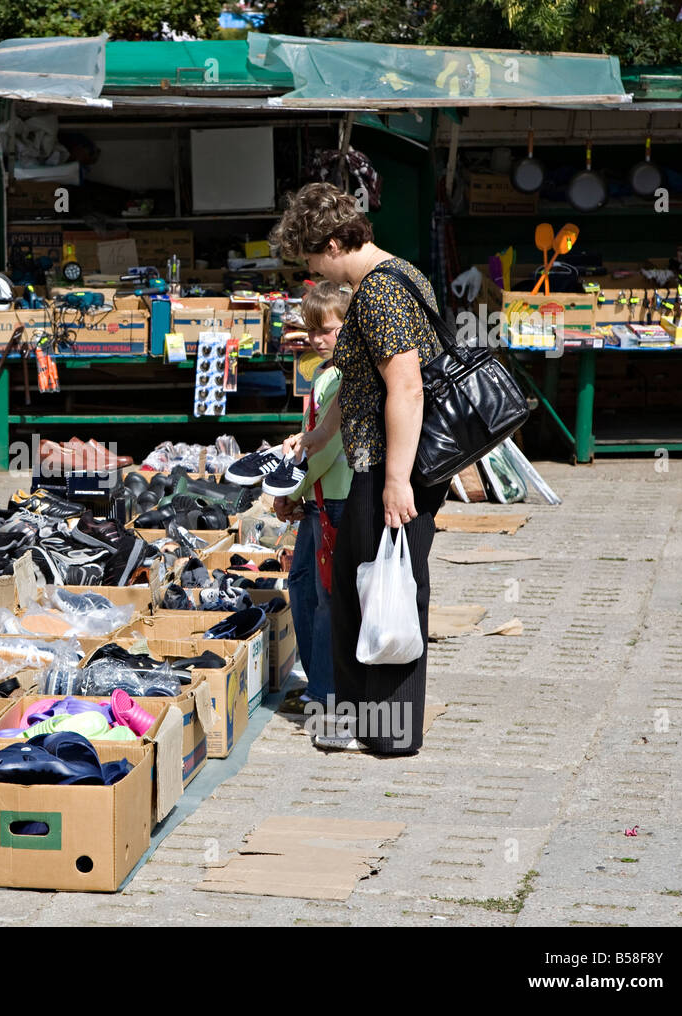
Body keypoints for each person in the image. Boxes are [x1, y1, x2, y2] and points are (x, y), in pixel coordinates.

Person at [272, 182, 448, 755]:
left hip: (392, 466)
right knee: (360, 588)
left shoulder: (377, 293)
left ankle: (388, 731)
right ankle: (365, 722)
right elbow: (361, 379)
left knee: (386, 590)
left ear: (330, 242)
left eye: (311, 258)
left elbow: (406, 385)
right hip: (380, 460)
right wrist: (319, 433)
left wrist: (397, 480)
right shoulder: (404, 273)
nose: (313, 270)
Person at [273, 281, 352, 718]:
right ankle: (317, 680)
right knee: (302, 586)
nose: (317, 340)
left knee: (322, 598)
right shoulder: (324, 375)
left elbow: (328, 446)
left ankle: (325, 690)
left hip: (333, 498)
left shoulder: (340, 378)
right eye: (312, 331)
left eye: (328, 331)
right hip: (319, 499)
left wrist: (290, 490)